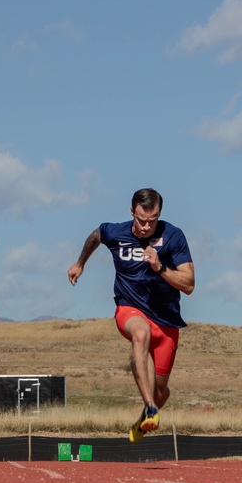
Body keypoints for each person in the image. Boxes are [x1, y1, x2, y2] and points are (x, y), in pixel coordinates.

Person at [67, 188, 195, 442]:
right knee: (140, 332)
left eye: (153, 220)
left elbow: (189, 284)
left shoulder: (173, 236)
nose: (147, 226)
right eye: (141, 220)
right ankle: (149, 407)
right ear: (131, 212)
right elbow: (96, 235)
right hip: (130, 308)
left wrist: (160, 267)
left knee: (162, 391)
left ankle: (147, 414)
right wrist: (80, 262)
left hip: (167, 321)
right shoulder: (116, 232)